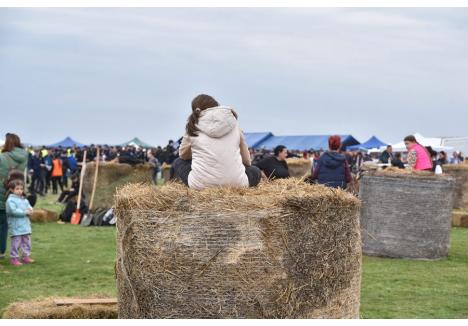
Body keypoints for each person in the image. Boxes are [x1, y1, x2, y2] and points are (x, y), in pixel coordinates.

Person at [173, 94, 261, 189]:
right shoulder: (233, 124)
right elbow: (247, 161)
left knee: (178, 162)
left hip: (200, 185)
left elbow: (183, 155)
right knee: (255, 171)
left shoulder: (192, 126)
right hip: (236, 184)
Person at [0, 133, 28, 260]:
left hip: (1, 191)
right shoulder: (24, 155)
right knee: (6, 225)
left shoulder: (3, 157)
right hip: (16, 192)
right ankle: (4, 251)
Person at [5, 179, 34, 266]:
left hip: (25, 225)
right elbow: (13, 211)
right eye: (17, 189)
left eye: (21, 189)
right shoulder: (10, 201)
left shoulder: (24, 200)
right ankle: (14, 258)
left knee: (27, 242)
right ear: (12, 189)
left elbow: (29, 207)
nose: (20, 191)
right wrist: (25, 212)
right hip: (16, 226)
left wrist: (31, 210)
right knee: (16, 243)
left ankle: (25, 256)